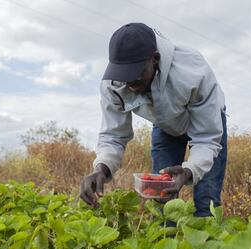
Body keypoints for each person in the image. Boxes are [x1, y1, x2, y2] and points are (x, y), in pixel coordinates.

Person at [80, 22, 227, 217]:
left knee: (206, 200)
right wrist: (101, 169)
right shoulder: (113, 84)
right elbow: (113, 135)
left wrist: (189, 170)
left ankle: (208, 243)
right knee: (161, 198)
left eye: (135, 73)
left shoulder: (193, 72)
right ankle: (167, 242)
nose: (128, 81)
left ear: (155, 59)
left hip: (206, 127)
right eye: (123, 74)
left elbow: (207, 139)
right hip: (165, 125)